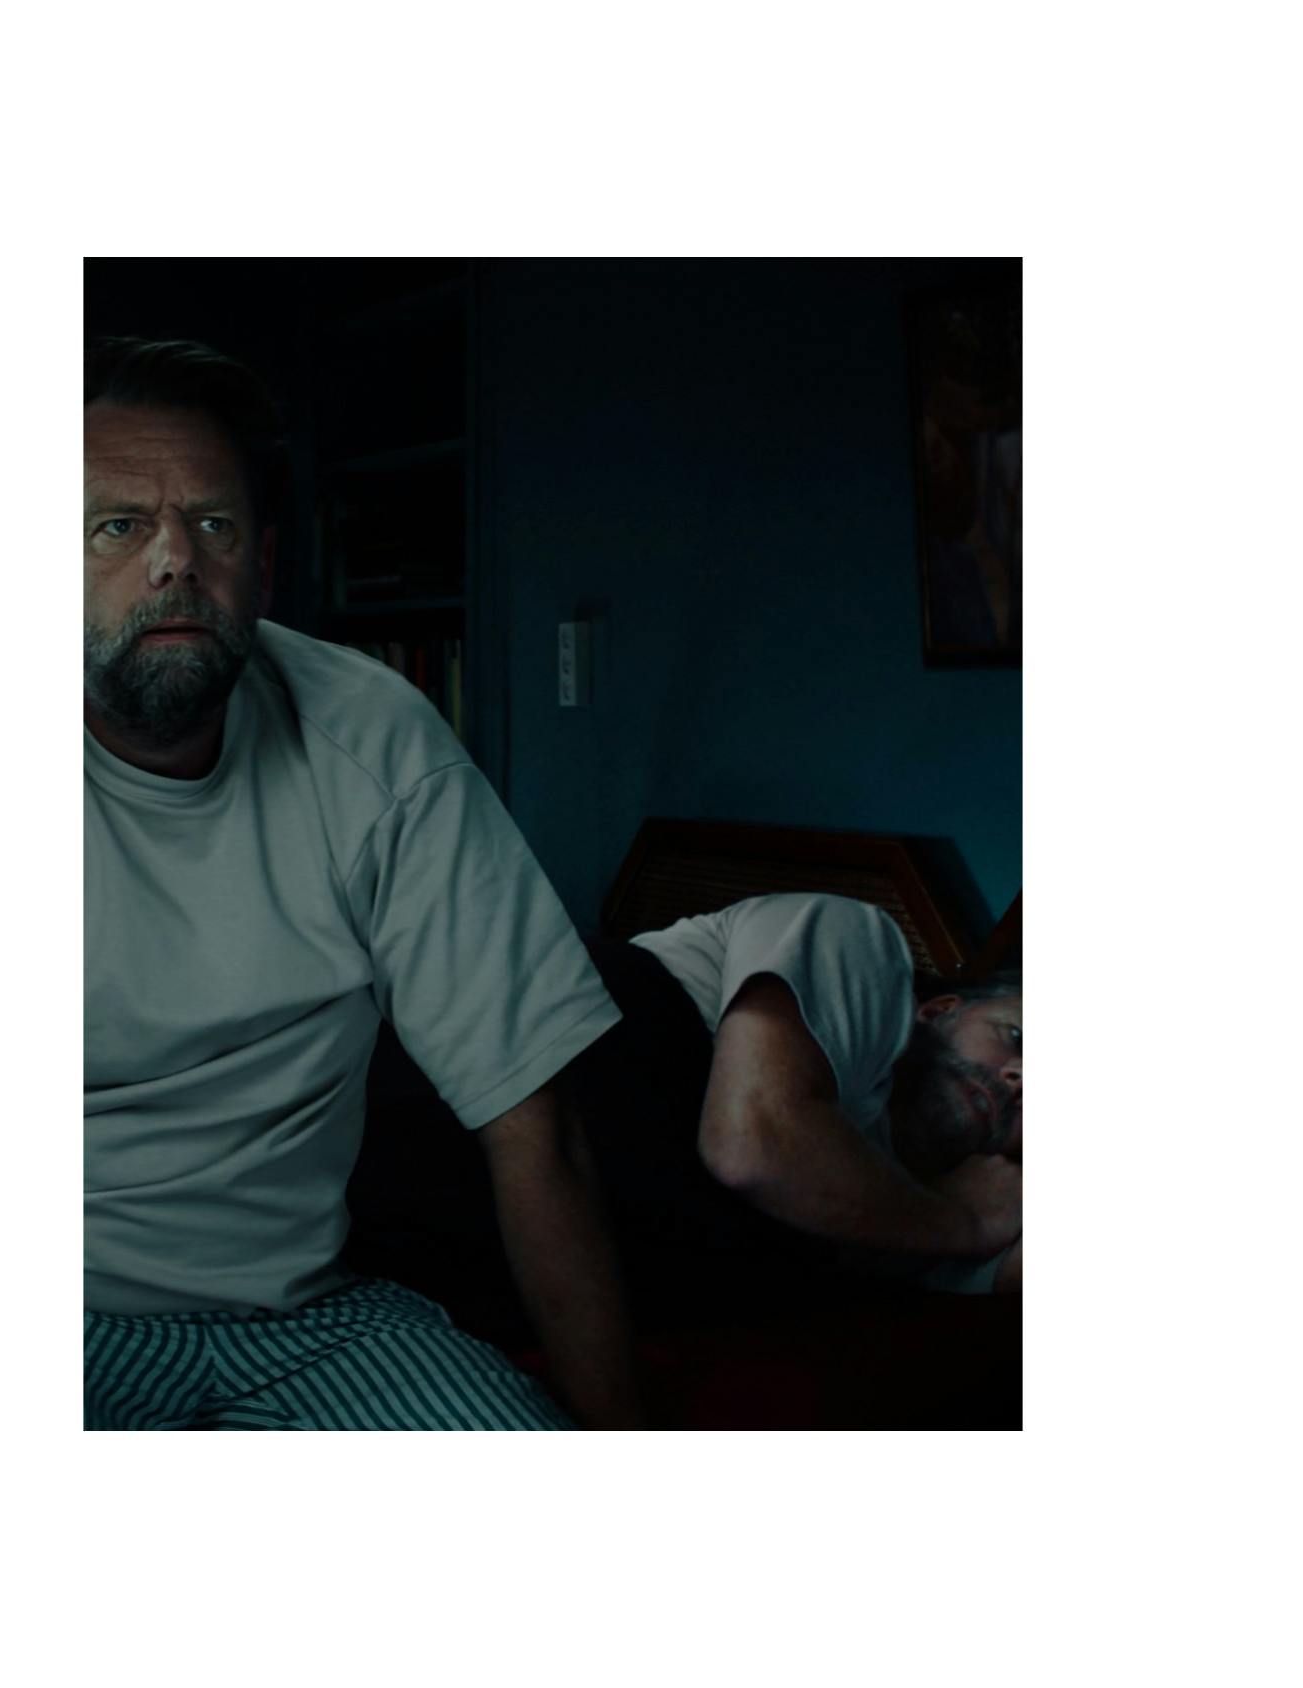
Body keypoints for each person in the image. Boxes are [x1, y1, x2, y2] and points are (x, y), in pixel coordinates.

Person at [83, 338, 643, 1430]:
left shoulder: (373, 738)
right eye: (118, 526)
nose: (176, 560)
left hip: (308, 1321)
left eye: (214, 524)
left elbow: (535, 1128)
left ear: (264, 566)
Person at [577, 892, 1023, 1298]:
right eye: (1016, 1037)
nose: (1022, 1077)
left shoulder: (948, 1195)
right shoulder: (861, 943)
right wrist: (965, 1224)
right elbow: (752, 1147)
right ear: (939, 1010)